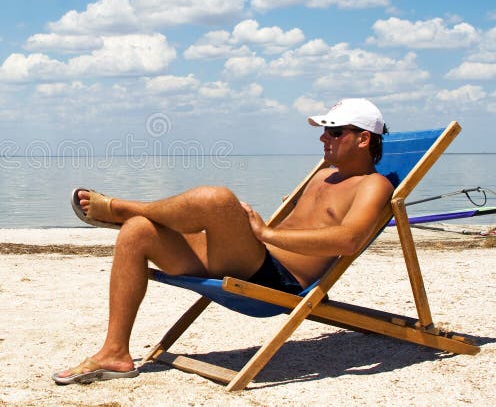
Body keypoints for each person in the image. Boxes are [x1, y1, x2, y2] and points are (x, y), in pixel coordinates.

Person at [52, 98, 393, 385]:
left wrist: (266, 233)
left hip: (278, 279)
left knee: (216, 199)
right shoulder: (324, 174)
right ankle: (114, 353)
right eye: (323, 131)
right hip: (254, 258)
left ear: (363, 140)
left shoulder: (373, 186)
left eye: (333, 132)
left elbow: (349, 240)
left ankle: (118, 207)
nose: (323, 138)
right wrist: (253, 229)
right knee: (138, 231)